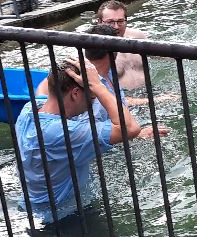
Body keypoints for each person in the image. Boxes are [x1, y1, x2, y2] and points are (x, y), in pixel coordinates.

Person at [16, 57, 141, 223]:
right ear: (75, 94)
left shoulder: (29, 110)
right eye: (91, 96)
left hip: (35, 209)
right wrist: (98, 86)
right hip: (66, 218)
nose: (93, 100)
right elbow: (130, 128)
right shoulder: (62, 133)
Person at [37, 24, 165, 139]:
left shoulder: (110, 72)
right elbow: (83, 134)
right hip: (101, 141)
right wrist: (135, 135)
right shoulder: (79, 78)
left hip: (117, 130)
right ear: (115, 52)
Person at [94, 0, 149, 90]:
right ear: (99, 22)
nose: (116, 26)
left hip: (150, 88)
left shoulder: (137, 36)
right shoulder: (95, 51)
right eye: (110, 22)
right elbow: (101, 91)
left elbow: (161, 55)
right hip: (123, 96)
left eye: (120, 21)